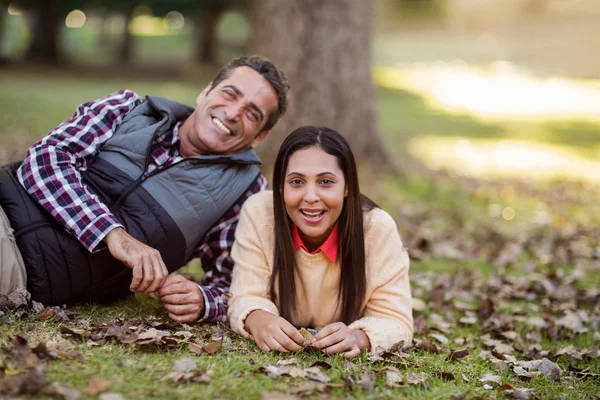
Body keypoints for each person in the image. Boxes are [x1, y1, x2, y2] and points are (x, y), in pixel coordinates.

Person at [0, 56, 289, 324]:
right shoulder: (127, 107)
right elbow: (45, 160)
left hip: (22, 270)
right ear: (206, 91)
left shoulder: (245, 193)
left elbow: (242, 285)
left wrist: (203, 301)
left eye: (253, 114)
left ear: (259, 137)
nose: (233, 112)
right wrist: (111, 233)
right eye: (230, 93)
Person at [228, 126, 413, 357]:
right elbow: (245, 295)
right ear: (281, 187)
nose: (311, 197)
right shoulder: (259, 213)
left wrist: (359, 337)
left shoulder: (377, 229)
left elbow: (396, 320)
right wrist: (258, 318)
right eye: (296, 182)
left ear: (347, 187)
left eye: (326, 181)